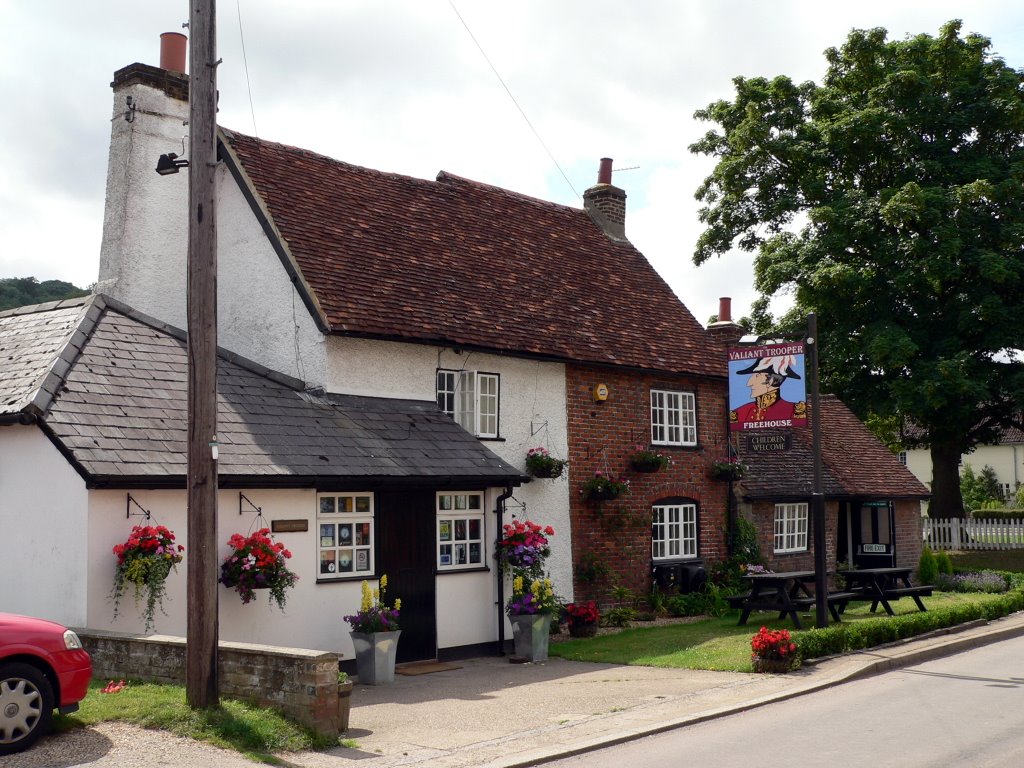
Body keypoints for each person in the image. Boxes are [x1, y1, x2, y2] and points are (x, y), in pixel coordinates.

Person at [730, 354, 806, 429]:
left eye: (757, 375)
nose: (749, 383)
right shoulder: (740, 412)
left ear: (772, 381)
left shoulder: (794, 411)